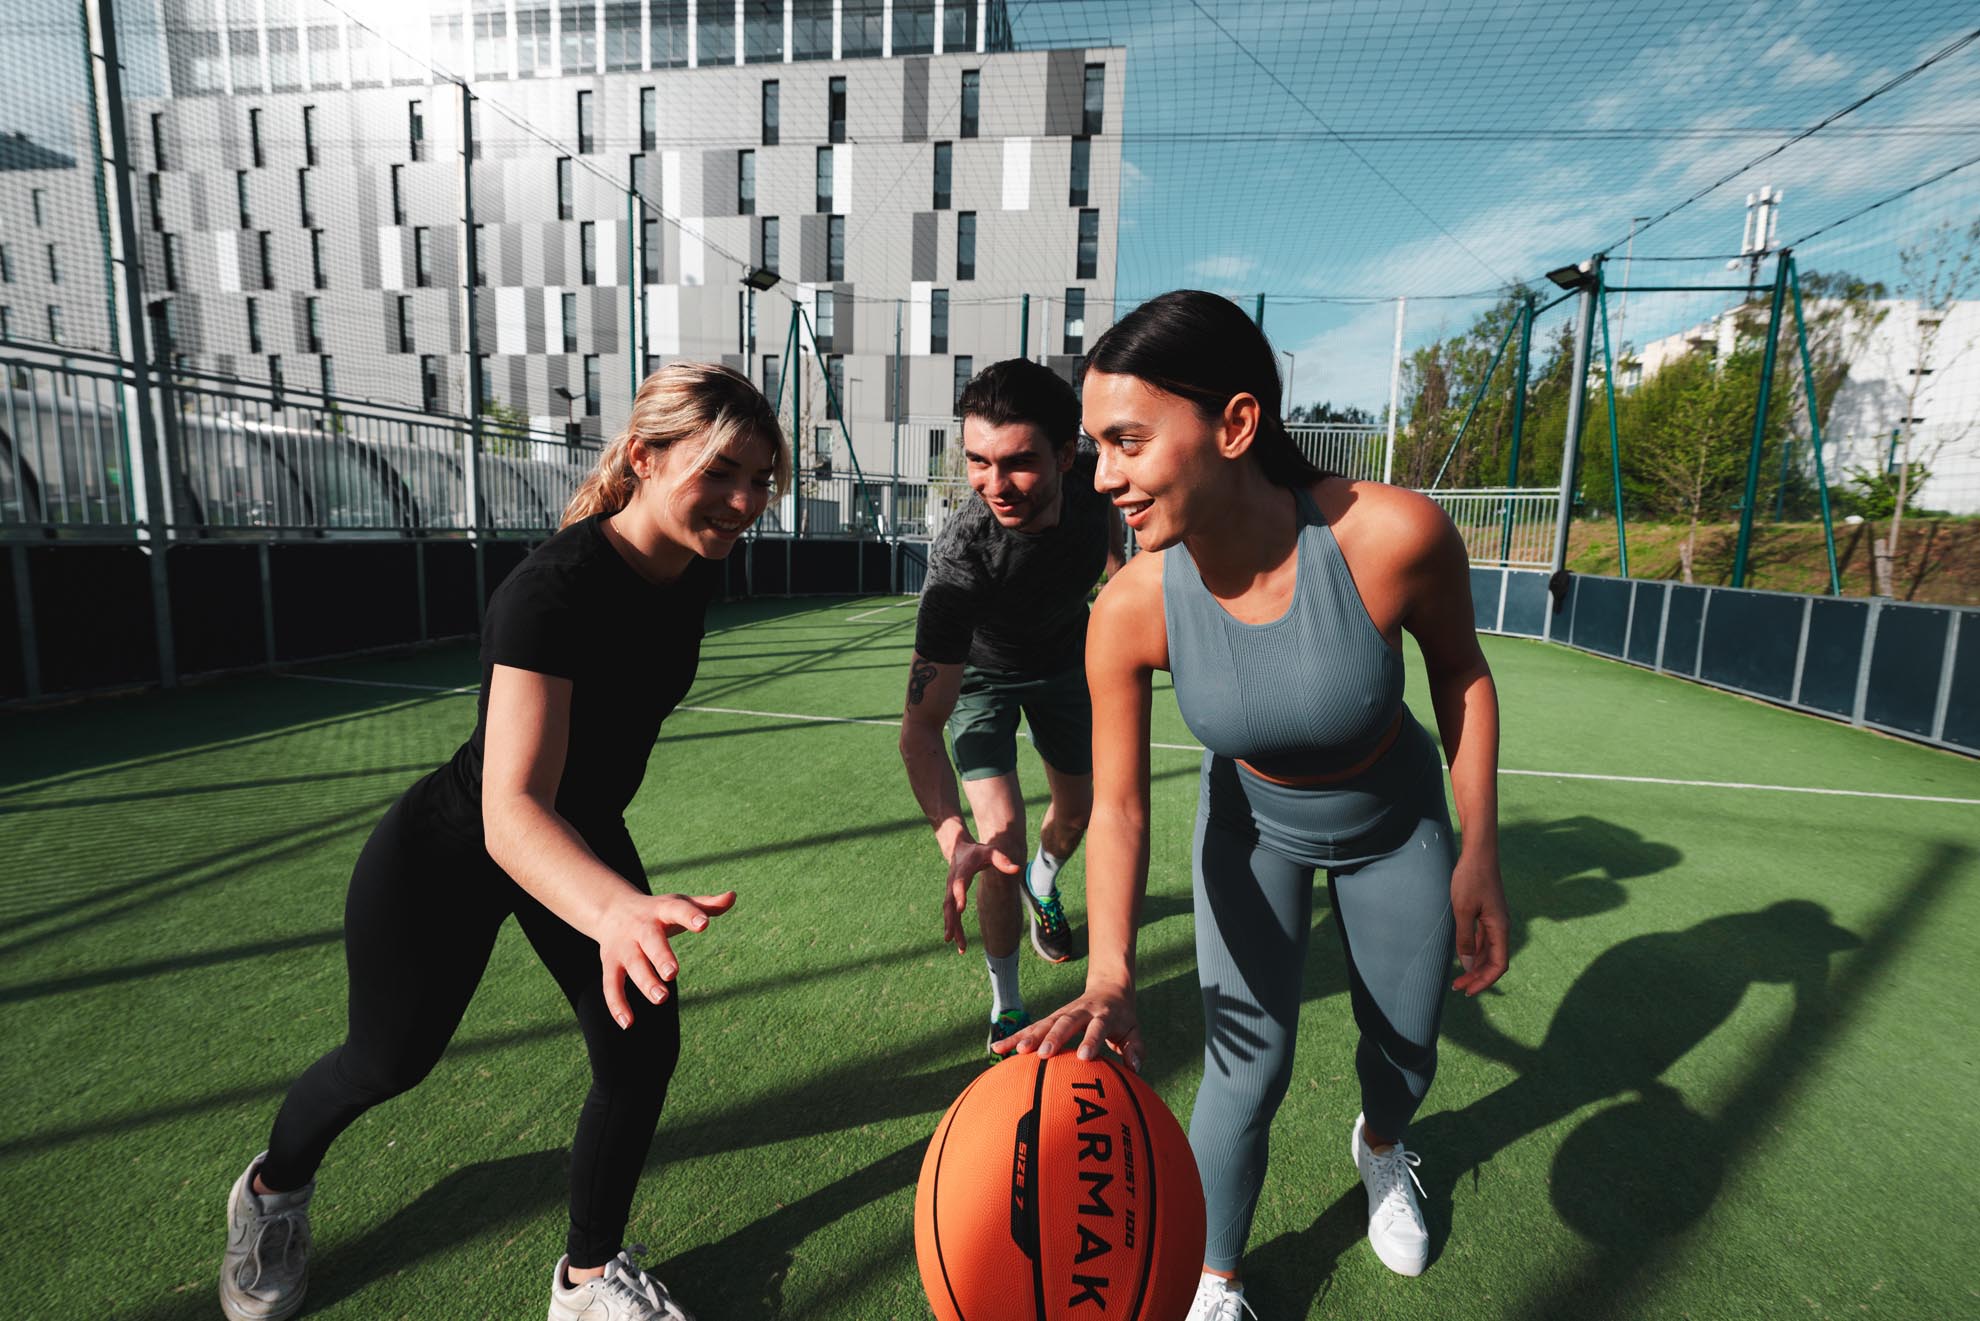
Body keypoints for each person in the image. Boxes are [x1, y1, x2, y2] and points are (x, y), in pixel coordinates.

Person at [217, 363, 790, 1321]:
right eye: (723, 471)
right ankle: (271, 1192)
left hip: (576, 834)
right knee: (386, 1060)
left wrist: (608, 896)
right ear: (644, 458)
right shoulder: (550, 590)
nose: (745, 501)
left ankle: (586, 1278)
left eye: (762, 478)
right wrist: (611, 906)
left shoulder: (692, 570)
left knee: (641, 1046)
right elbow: (510, 809)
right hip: (459, 847)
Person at [993, 291, 1511, 1319]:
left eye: (1127, 441)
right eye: (1093, 446)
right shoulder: (1133, 606)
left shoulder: (1392, 534)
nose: (1102, 478)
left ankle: (1380, 1145)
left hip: (1394, 825)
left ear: (1235, 425)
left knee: (1405, 1050)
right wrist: (1109, 973)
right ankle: (1214, 1278)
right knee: (1243, 1067)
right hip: (1251, 829)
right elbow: (1124, 810)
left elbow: (1463, 678)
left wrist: (1477, 849)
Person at [899, 358, 1126, 1052]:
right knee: (998, 844)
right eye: (977, 461)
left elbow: (1108, 538)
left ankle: (1045, 884)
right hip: (983, 679)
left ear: (1066, 454)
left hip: (1067, 661)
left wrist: (1124, 590)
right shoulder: (960, 559)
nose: (995, 485)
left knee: (1080, 809)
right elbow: (919, 730)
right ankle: (1007, 1002)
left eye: (1019, 463)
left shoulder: (1100, 480)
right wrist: (953, 839)